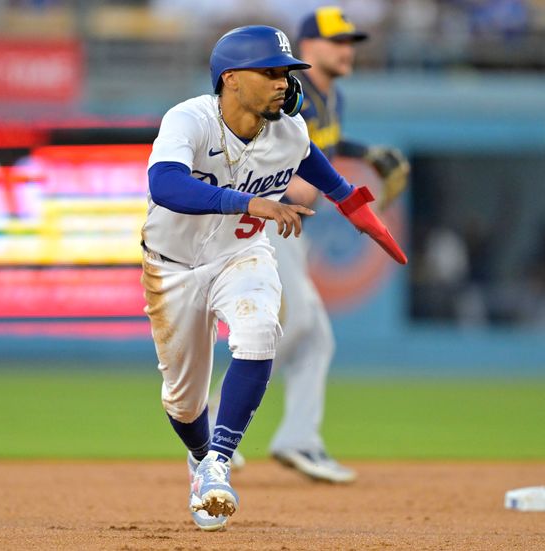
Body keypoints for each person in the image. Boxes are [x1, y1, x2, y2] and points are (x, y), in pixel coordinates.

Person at [141, 24, 406, 531]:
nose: (284, 81)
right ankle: (201, 457)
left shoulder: (289, 131)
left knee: (262, 331)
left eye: (287, 71)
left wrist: (365, 218)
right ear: (232, 79)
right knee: (181, 398)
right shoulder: (190, 120)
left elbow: (334, 183)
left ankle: (219, 461)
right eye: (271, 71)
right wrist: (250, 201)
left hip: (242, 254)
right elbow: (165, 184)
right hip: (171, 267)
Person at [206, 6, 410, 484]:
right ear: (308, 48)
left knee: (314, 337)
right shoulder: (291, 97)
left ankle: (294, 439)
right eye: (337, 42)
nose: (347, 50)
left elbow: (319, 150)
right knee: (296, 328)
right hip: (268, 225)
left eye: (351, 43)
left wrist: (363, 154)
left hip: (288, 231)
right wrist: (286, 185)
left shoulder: (328, 98)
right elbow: (265, 146)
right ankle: (214, 428)